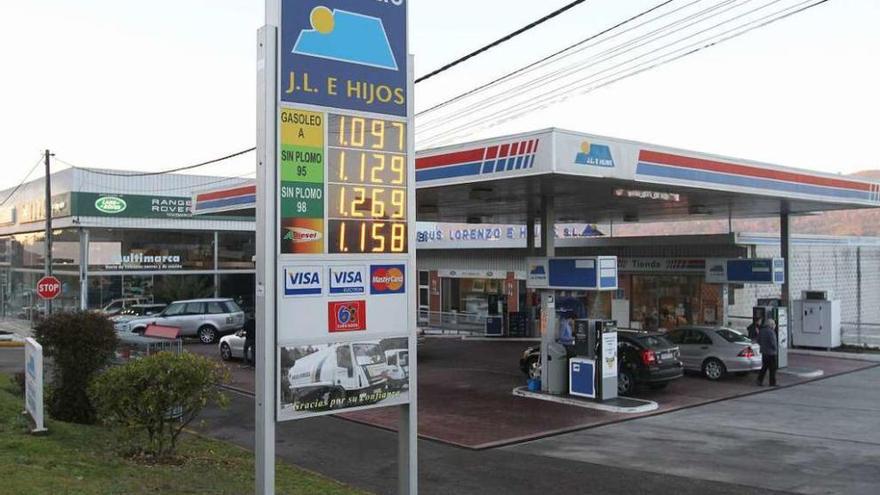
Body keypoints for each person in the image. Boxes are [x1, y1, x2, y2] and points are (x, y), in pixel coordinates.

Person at [756, 318, 778, 387]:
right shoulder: (771, 332)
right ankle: (772, 382)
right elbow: (773, 343)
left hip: (764, 352)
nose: (775, 326)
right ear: (771, 325)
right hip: (771, 353)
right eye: (774, 324)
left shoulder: (762, 331)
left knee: (764, 367)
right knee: (772, 369)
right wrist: (775, 349)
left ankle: (759, 380)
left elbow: (758, 340)